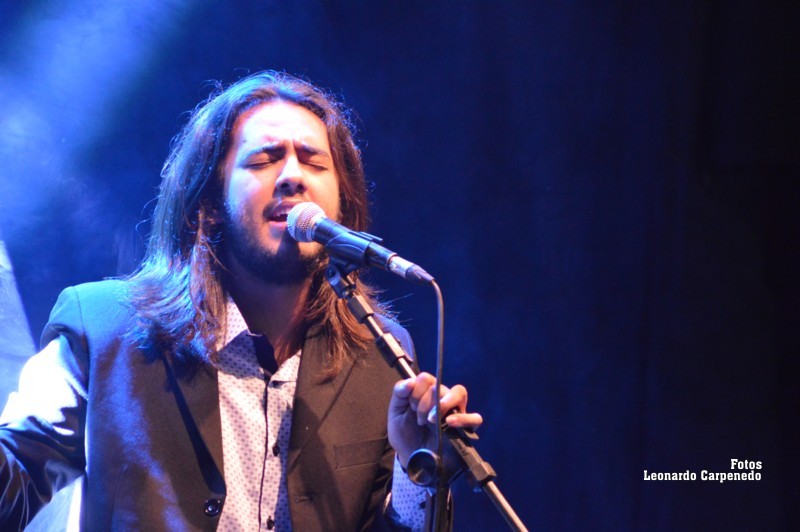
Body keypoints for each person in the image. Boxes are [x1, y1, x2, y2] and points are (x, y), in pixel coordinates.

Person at [0, 71, 482, 530]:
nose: (293, 176)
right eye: (264, 160)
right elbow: (15, 484)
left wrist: (418, 473)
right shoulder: (102, 328)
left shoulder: (380, 353)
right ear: (210, 204)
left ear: (343, 204)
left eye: (314, 162)